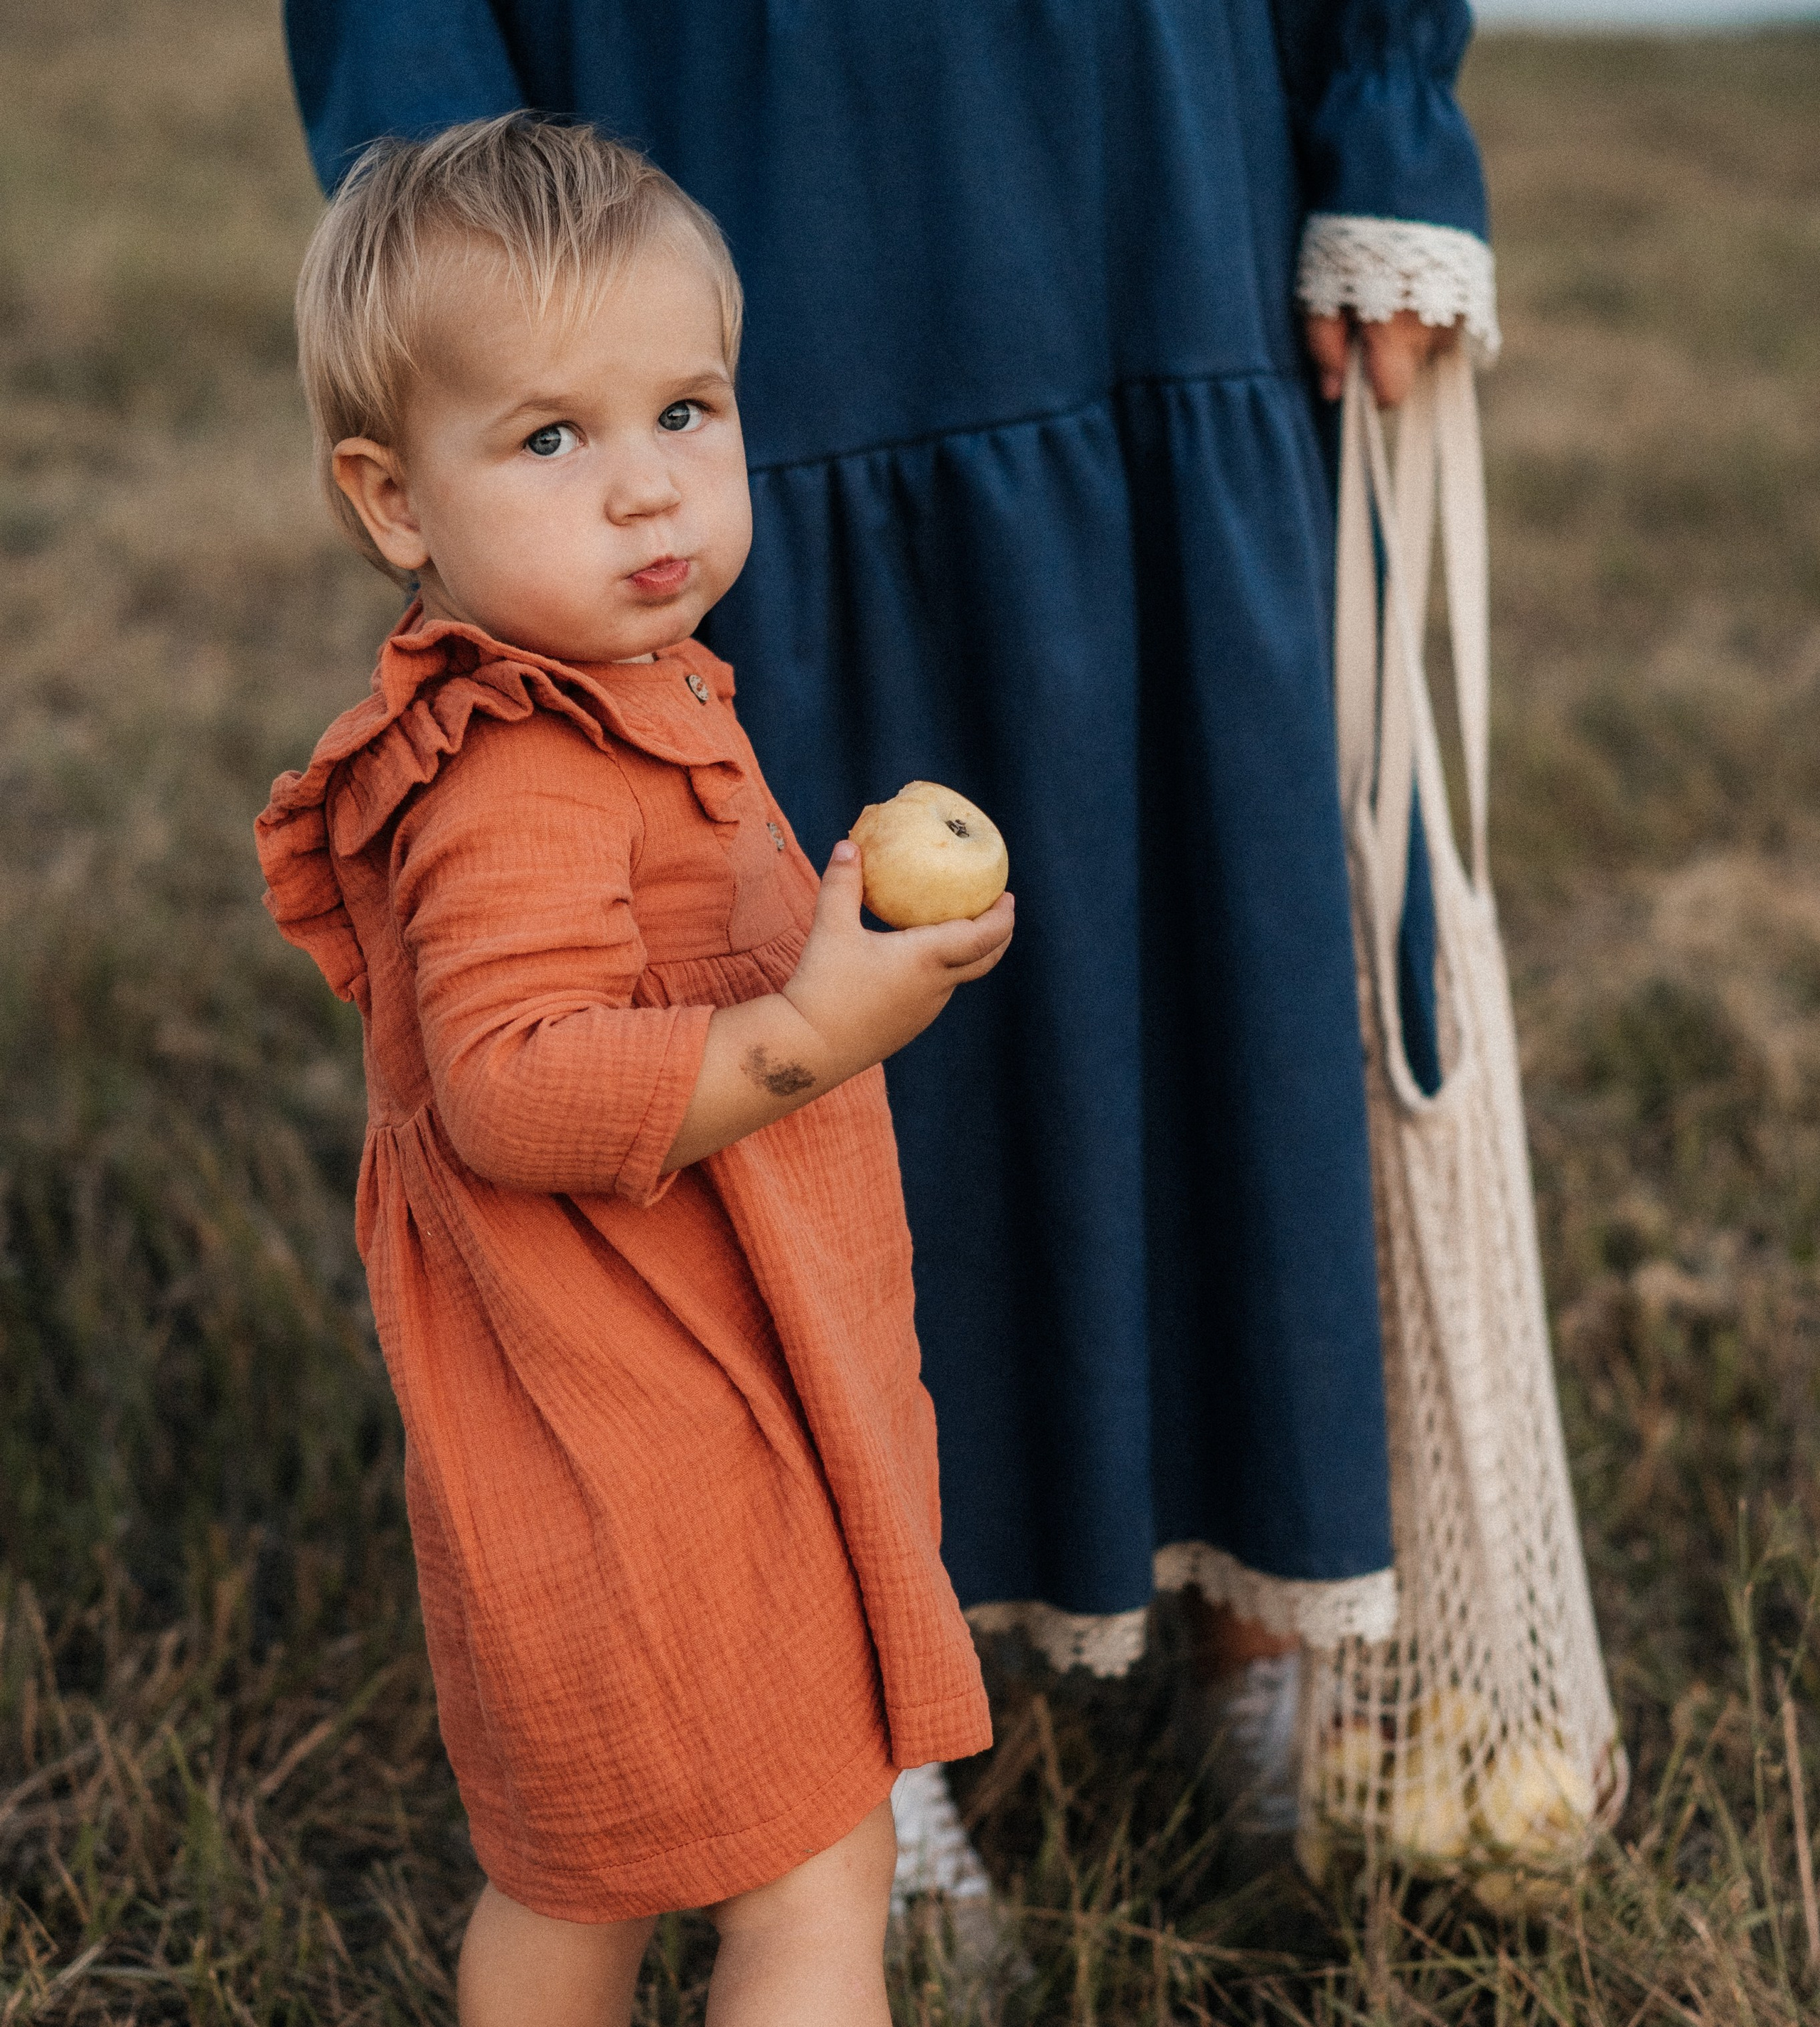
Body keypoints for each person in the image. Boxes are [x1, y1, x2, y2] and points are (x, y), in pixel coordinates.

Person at [281, 1, 1500, 1884]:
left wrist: (1385, 111)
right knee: (742, 930)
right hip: (736, 124)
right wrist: (455, 209)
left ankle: (1269, 1603)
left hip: (1149, 166)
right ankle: (836, 1690)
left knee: (1212, 919)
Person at [255, 119, 1034, 2027]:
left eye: (686, 414)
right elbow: (517, 1084)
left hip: (562, 1444)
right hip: (654, 1440)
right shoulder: (501, 776)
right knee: (809, 1908)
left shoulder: (583, 696)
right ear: (393, 499)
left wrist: (832, 949)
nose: (648, 493)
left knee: (562, 1859)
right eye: (553, 440)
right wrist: (817, 1023)